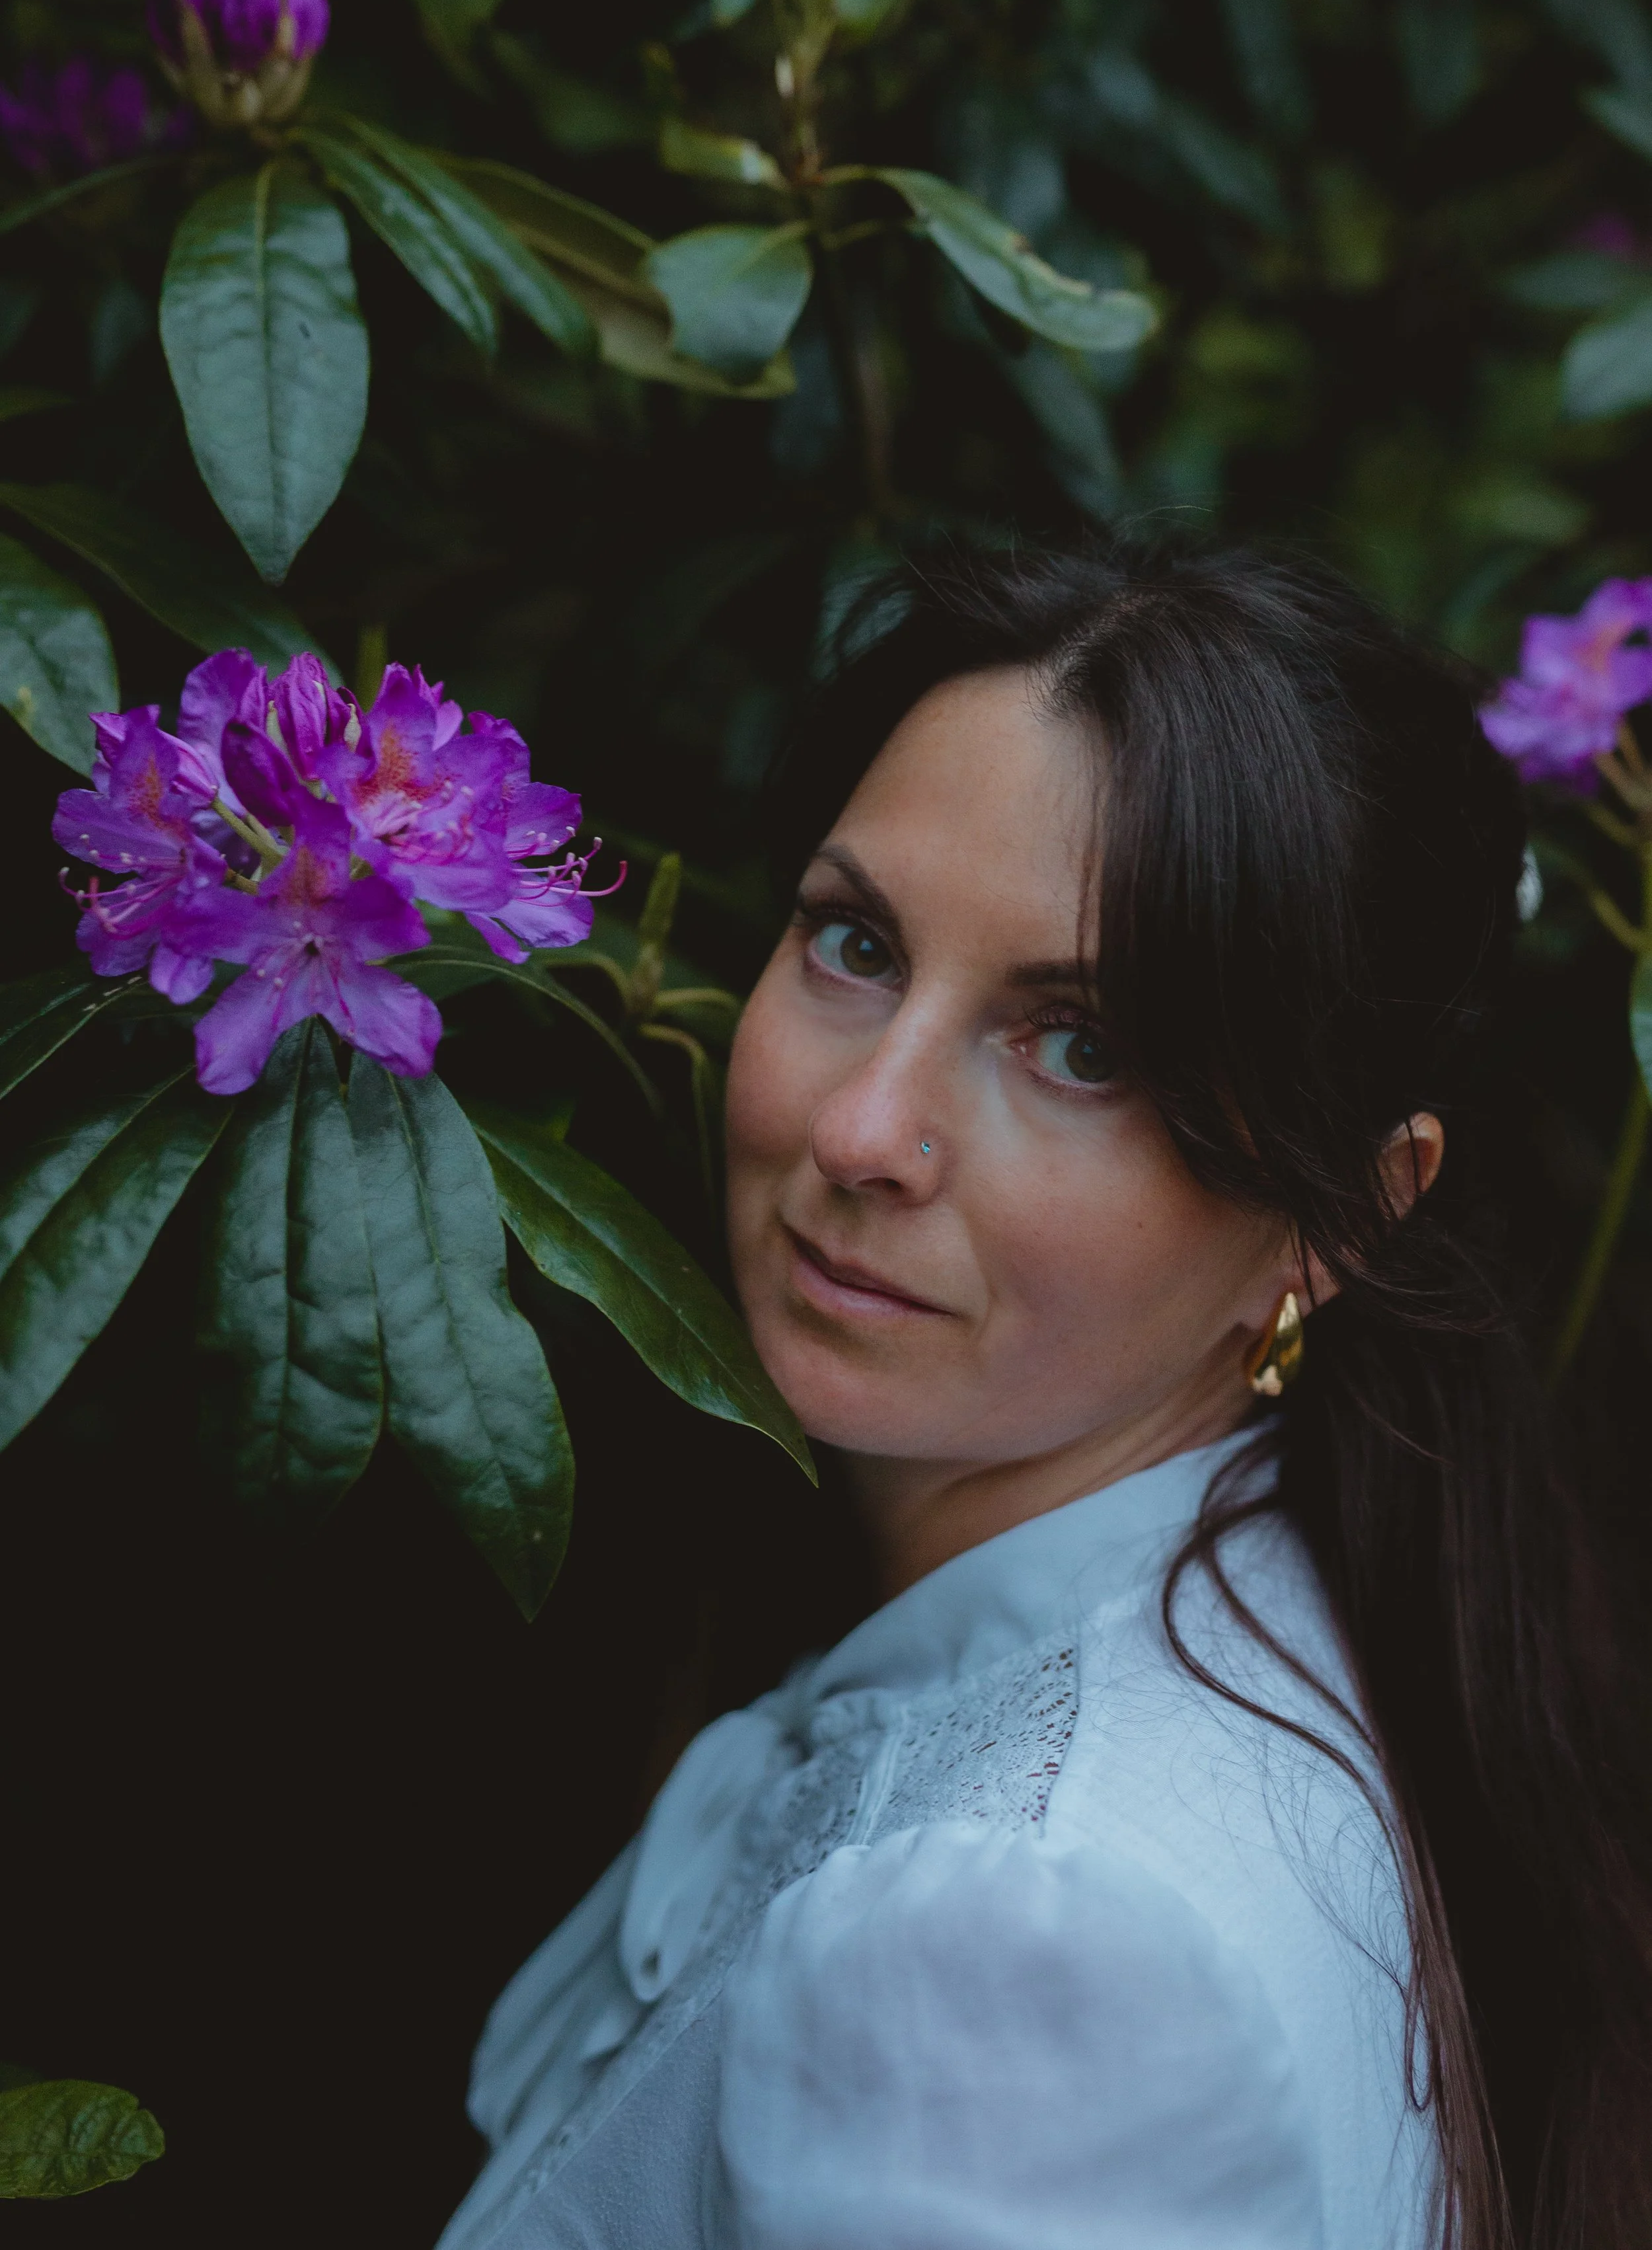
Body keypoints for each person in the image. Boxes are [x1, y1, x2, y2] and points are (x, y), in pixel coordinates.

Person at [436, 545, 1652, 2250]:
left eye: (1080, 1046)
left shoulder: (1026, 1939)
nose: (863, 1132)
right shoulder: (1294, 1606)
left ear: (1344, 1219)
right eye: (854, 942)